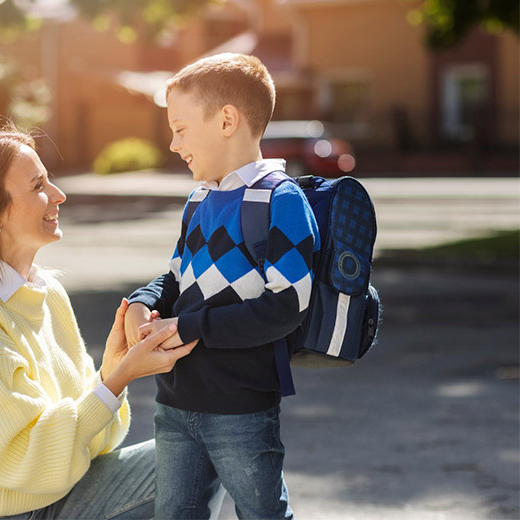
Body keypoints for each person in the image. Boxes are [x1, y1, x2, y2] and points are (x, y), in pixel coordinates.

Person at [0, 126, 197, 520]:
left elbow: (93, 445)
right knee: (195, 461)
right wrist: (115, 382)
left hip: (50, 499)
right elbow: (23, 461)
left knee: (204, 452)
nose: (59, 195)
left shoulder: (46, 293)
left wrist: (110, 374)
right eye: (38, 185)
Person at [124, 53, 320, 519]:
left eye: (181, 128)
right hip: (175, 404)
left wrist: (189, 327)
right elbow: (174, 277)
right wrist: (143, 299)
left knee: (262, 513)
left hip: (241, 409)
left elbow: (286, 305)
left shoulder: (280, 199)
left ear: (227, 120)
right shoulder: (198, 200)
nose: (173, 143)